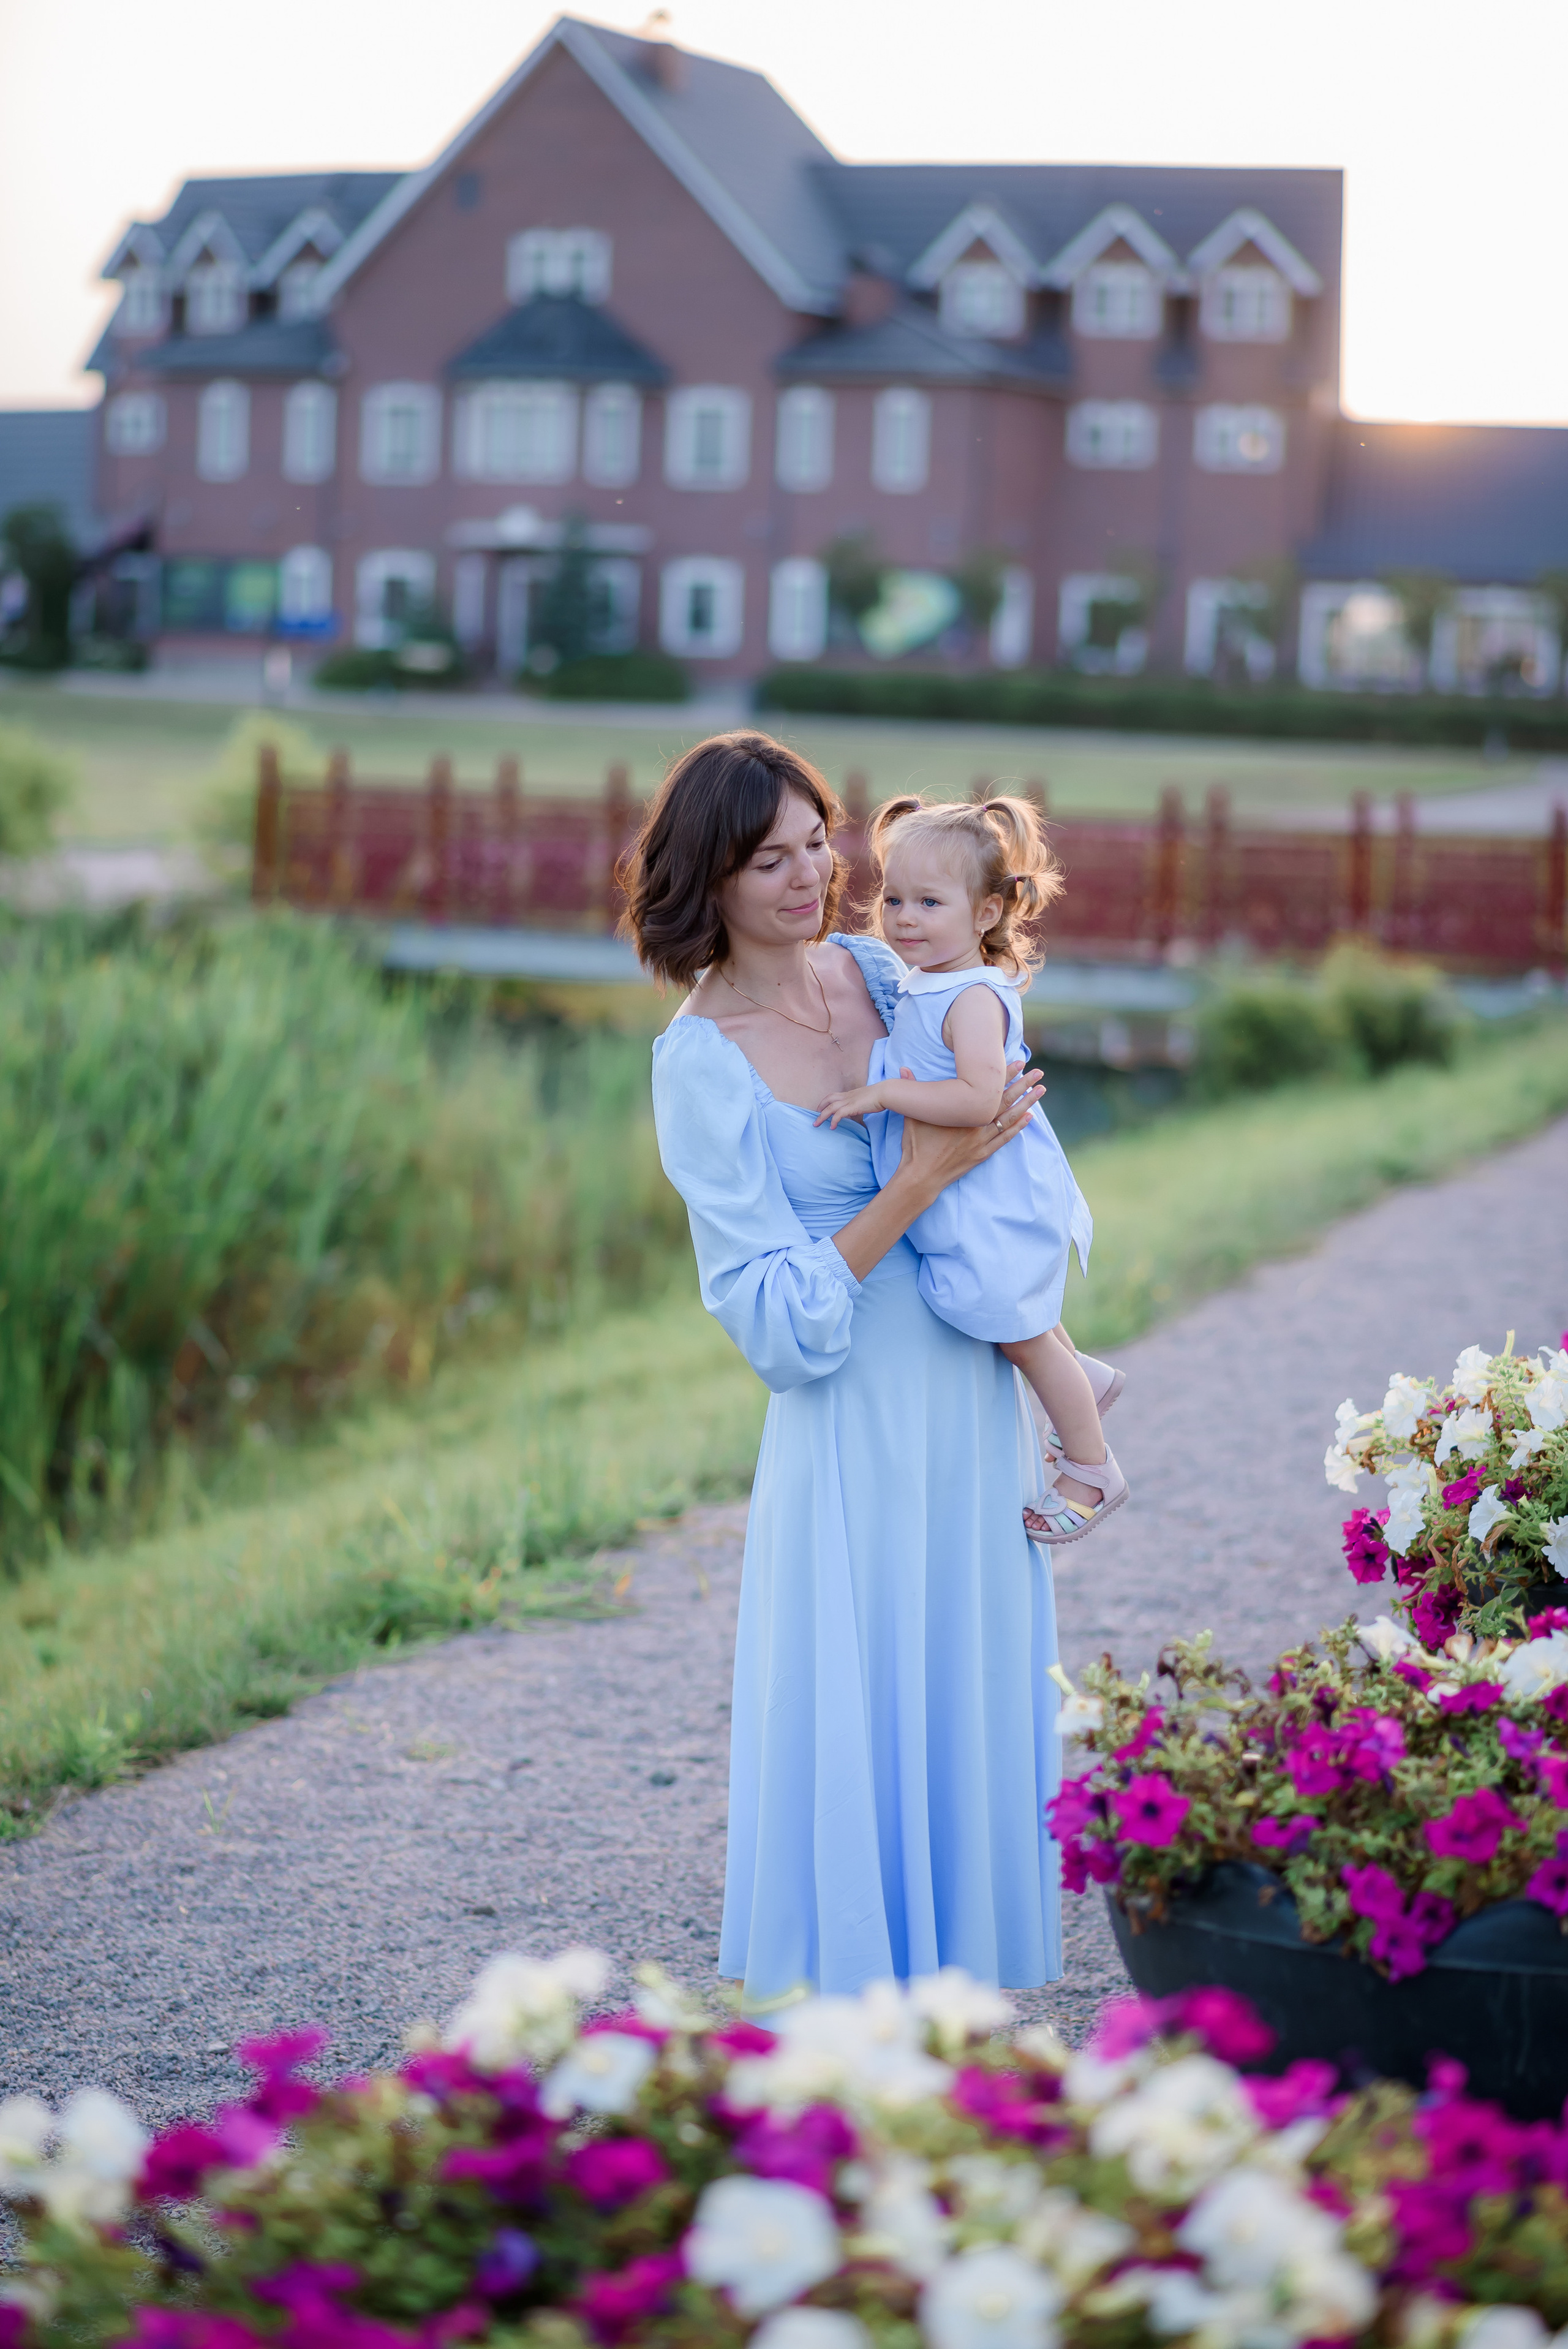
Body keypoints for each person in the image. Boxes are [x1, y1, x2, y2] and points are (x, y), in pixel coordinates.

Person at [623, 729, 1064, 2008]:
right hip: (849, 1421)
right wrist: (921, 1174)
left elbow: (1010, 1114)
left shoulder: (892, 963)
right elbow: (775, 1324)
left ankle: (968, 2031)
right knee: (861, 1705)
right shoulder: (698, 1063)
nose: (813, 875)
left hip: (968, 1397)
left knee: (964, 1694)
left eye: (819, 839)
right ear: (707, 878)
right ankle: (851, 2032)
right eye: (770, 858)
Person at [815, 795, 1128, 1545]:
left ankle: (1092, 1469)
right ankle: (1084, 1380)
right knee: (1007, 1312)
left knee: (1011, 1327)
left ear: (987, 913)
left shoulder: (974, 997)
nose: (904, 918)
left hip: (992, 1193)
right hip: (967, 1194)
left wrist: (884, 1092)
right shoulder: (929, 982)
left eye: (929, 902)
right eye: (892, 898)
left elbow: (979, 1098)